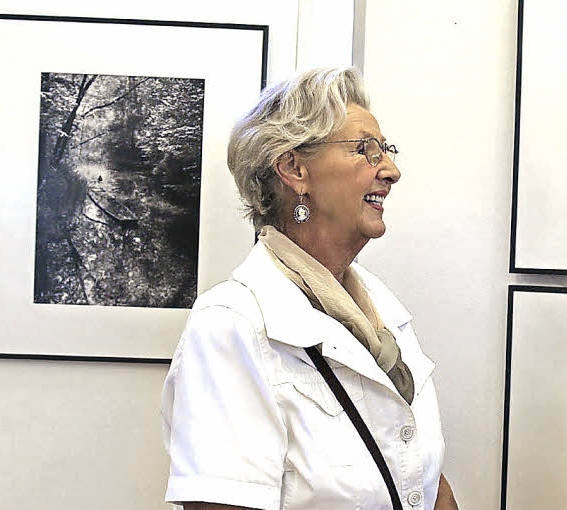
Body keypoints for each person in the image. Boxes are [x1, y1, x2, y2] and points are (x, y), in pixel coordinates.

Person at [160, 67, 459, 510]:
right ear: (294, 169)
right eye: (366, 151)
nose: (391, 171)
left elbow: (417, 473)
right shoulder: (232, 325)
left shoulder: (378, 311)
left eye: (386, 151)